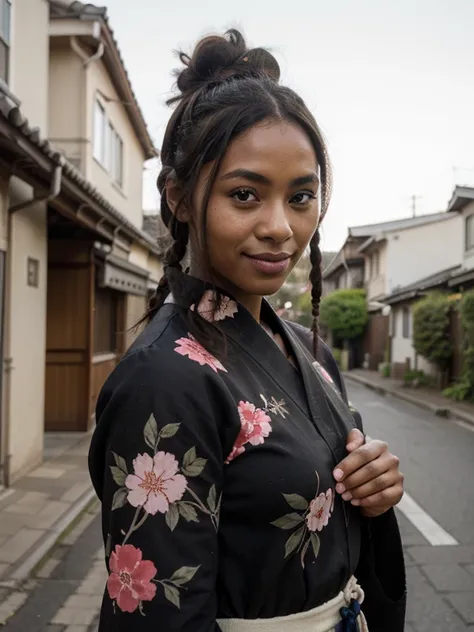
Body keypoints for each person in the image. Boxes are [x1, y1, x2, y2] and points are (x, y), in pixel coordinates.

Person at [88, 29, 406, 632]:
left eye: (301, 196)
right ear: (181, 199)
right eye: (244, 195)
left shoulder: (307, 349)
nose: (280, 227)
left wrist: (372, 490)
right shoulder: (166, 382)